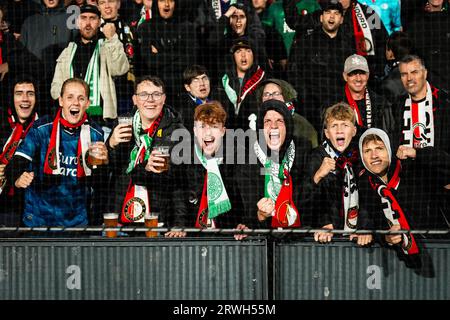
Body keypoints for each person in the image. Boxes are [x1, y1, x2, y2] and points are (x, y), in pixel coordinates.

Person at [5, 78, 108, 227]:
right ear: (61, 101)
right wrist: (17, 178)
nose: (75, 103)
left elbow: (99, 183)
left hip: (77, 222)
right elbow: (15, 163)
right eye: (70, 97)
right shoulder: (41, 128)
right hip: (38, 219)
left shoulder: (95, 133)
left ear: (87, 103)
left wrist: (104, 163)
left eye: (81, 98)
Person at [358, 128, 450, 272]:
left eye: (379, 148)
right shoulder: (365, 186)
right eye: (367, 151)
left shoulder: (412, 169)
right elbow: (371, 221)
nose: (374, 155)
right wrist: (386, 238)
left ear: (389, 149)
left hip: (439, 249)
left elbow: (445, 164)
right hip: (403, 262)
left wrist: (417, 153)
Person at [106, 75, 186, 237]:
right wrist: (111, 144)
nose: (150, 100)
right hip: (122, 217)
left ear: (163, 99)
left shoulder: (177, 131)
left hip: (158, 218)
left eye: (156, 94)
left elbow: (179, 181)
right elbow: (107, 172)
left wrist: (179, 223)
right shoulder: (122, 125)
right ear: (135, 99)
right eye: (143, 95)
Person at [51, 4, 130, 136]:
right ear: (77, 22)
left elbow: (120, 69)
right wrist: (71, 100)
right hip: (69, 123)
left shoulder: (107, 47)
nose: (88, 23)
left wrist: (112, 39)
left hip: (100, 124)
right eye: (83, 18)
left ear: (99, 22)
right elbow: (55, 89)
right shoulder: (68, 51)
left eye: (92, 18)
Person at [237, 99, 312, 230]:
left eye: (280, 121)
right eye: (267, 122)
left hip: (298, 237)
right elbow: (247, 216)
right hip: (263, 238)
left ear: (288, 127)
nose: (273, 126)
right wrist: (260, 215)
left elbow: (310, 206)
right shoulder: (248, 161)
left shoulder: (303, 153)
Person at [304, 102, 371, 246]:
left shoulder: (362, 157)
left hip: (356, 237)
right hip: (327, 236)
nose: (339, 130)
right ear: (327, 133)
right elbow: (304, 200)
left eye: (345, 125)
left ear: (353, 131)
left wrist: (365, 227)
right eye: (334, 126)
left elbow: (369, 197)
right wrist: (318, 175)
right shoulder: (316, 156)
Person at [182, 101, 250, 240]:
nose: (208, 133)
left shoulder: (239, 156)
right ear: (195, 131)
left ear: (222, 131)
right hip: (192, 237)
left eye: (214, 126)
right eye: (202, 127)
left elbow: (247, 198)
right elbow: (178, 196)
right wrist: (179, 225)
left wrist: (245, 223)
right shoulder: (184, 157)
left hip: (229, 236)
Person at [287, 0, 353, 133]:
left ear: (341, 19)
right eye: (328, 12)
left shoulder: (349, 45)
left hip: (339, 107)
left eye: (336, 13)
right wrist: (304, 101)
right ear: (321, 17)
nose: (332, 17)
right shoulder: (306, 42)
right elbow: (294, 73)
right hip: (310, 108)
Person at [0, 78, 39, 227]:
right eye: (19, 93)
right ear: (11, 97)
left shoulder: (44, 128)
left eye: (30, 94)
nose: (25, 99)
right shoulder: (2, 123)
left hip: (31, 204)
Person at [393, 54, 450, 155]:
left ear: (425, 73)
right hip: (408, 169)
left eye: (414, 72)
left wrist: (417, 154)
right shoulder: (397, 105)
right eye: (404, 74)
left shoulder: (444, 103)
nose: (409, 78)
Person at [96, 0, 137, 115]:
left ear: (118, 4)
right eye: (102, 3)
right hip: (103, 96)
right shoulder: (93, 32)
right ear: (98, 7)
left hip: (128, 92)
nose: (107, 6)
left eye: (111, 1)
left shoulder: (131, 28)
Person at [255, 78, 318, 148]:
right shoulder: (254, 123)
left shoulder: (303, 126)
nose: (270, 97)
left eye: (276, 93)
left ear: (287, 97)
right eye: (266, 94)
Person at [341, 54, 394, 134]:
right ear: (345, 76)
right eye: (353, 73)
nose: (358, 79)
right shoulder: (335, 105)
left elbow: (389, 133)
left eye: (362, 73)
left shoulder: (381, 103)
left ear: (368, 75)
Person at [221, 37, 266, 131]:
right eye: (238, 51)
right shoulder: (223, 81)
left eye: (248, 50)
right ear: (233, 56)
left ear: (254, 55)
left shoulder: (265, 81)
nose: (243, 55)